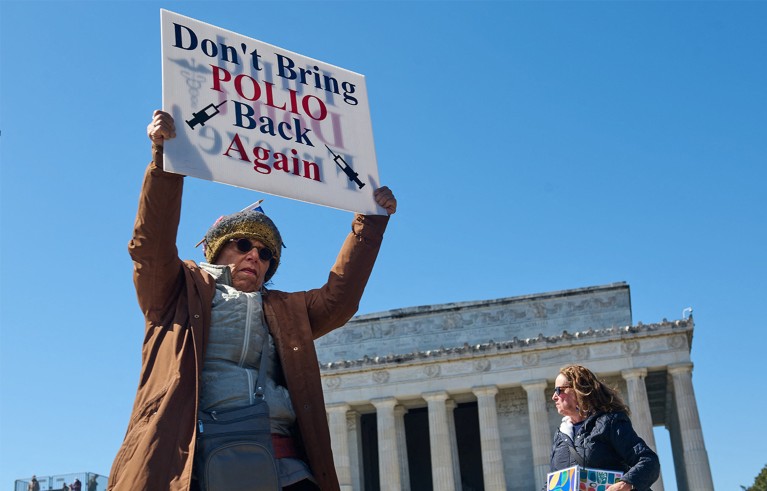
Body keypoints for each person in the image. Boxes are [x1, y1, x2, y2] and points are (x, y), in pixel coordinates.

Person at [107, 110, 397, 491]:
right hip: (194, 459)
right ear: (218, 251)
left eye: (265, 254)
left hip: (282, 461)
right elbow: (151, 246)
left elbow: (340, 300)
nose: (254, 257)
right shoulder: (176, 290)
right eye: (243, 245)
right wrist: (164, 160)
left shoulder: (286, 309)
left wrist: (370, 221)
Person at [549, 365, 660, 491]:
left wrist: (625, 484)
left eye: (559, 390)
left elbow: (648, 461)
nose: (554, 396)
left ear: (577, 390)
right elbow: (553, 485)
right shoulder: (560, 436)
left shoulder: (609, 422)